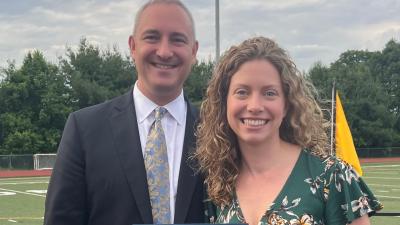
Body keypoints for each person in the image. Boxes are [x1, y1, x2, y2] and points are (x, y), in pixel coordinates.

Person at [44, 1, 204, 225]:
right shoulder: (85, 129)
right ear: (133, 46)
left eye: (177, 39)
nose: (165, 51)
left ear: (194, 51)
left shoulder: (215, 131)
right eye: (152, 37)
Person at [195, 37, 383, 225]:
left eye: (269, 93)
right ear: (224, 102)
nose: (254, 106)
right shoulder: (217, 182)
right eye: (242, 92)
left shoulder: (332, 175)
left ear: (286, 104)